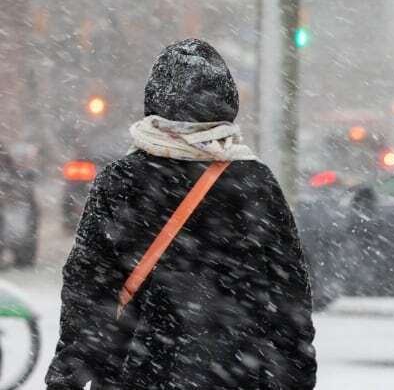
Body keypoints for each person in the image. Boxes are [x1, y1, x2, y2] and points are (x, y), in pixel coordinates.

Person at [46, 39, 316, 390]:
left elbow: (86, 289)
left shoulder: (122, 180)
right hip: (239, 374)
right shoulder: (254, 183)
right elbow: (289, 295)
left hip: (138, 373)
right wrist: (295, 374)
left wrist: (68, 374)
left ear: (156, 101)